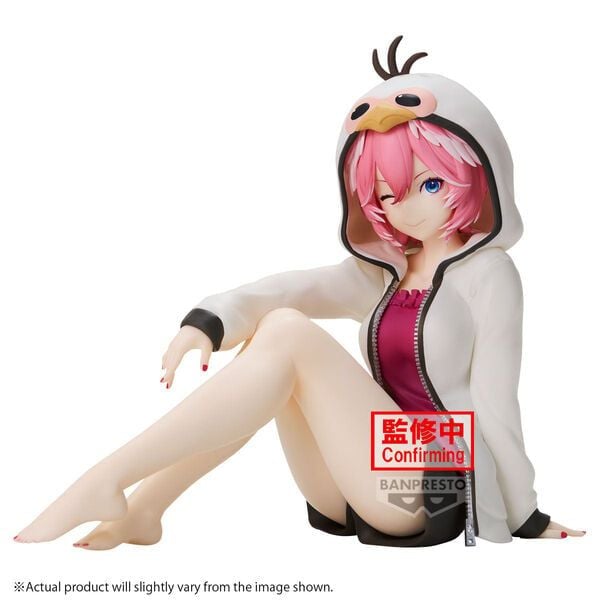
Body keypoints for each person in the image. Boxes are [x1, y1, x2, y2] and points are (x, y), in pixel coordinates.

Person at [15, 35, 584, 549]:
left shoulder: (490, 275)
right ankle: (144, 509)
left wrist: (524, 515)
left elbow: (497, 403)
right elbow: (292, 287)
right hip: (356, 476)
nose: (406, 208)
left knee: (287, 333)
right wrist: (208, 322)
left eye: (429, 183)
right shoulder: (381, 275)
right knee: (274, 331)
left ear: (476, 171)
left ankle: (109, 479)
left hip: (434, 484)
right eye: (386, 195)